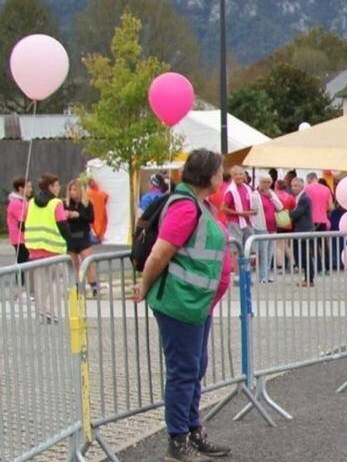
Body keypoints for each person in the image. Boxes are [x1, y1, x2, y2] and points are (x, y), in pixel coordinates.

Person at [131, 149, 232, 462]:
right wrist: (145, 285)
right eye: (220, 170)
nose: (222, 175)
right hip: (181, 300)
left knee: (194, 367)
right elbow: (160, 253)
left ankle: (192, 430)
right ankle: (177, 441)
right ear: (208, 174)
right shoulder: (186, 206)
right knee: (184, 371)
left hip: (196, 302)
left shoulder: (198, 203)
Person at [24, 173, 70, 323]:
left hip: (34, 249)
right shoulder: (56, 203)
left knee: (40, 284)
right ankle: (51, 310)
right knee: (60, 281)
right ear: (51, 186)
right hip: (53, 249)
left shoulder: (31, 202)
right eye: (57, 185)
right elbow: (62, 225)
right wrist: (70, 241)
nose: (59, 188)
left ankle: (42, 311)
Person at [64, 179, 98, 295]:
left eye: (74, 189)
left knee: (87, 261)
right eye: (70, 190)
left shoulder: (87, 203)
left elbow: (91, 218)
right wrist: (67, 215)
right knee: (74, 264)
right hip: (71, 237)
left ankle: (93, 285)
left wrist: (79, 215)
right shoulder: (66, 204)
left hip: (83, 236)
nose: (72, 192)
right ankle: (77, 286)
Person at [249, 176, 283, 284]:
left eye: (268, 182)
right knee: (262, 252)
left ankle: (266, 274)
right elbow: (253, 210)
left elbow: (280, 207)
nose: (266, 184)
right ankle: (262, 276)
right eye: (264, 182)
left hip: (272, 226)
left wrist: (271, 197)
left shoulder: (272, 193)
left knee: (270, 252)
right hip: (260, 226)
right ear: (260, 182)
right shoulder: (255, 195)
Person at [221, 166, 256, 257]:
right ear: (232, 176)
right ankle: (237, 270)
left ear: (244, 176)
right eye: (236, 174)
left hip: (248, 222)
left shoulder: (247, 188)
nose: (238, 176)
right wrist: (240, 213)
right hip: (235, 222)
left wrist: (252, 211)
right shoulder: (230, 190)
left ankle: (245, 269)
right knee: (236, 248)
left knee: (249, 248)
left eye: (240, 174)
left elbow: (249, 205)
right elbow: (223, 208)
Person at [288, 178, 316, 287]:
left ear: (302, 186)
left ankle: (309, 279)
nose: (293, 188)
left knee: (305, 256)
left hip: (304, 230)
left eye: (296, 185)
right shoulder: (299, 198)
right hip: (300, 230)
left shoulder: (304, 199)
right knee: (300, 255)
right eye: (292, 185)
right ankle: (307, 278)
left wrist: (286, 214)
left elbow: (296, 213)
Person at [8, 177, 31, 299]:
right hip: (19, 238)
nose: (30, 189)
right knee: (21, 263)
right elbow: (22, 220)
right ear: (20, 188)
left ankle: (24, 290)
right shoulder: (15, 203)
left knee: (25, 262)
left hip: (24, 238)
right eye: (28, 186)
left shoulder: (24, 201)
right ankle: (21, 291)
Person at [274, 179, 296, 273]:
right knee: (286, 244)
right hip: (287, 221)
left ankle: (280, 266)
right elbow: (293, 207)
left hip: (278, 220)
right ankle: (293, 264)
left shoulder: (274, 196)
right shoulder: (290, 197)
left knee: (278, 245)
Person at [87, 177, 109, 244]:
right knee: (96, 224)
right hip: (95, 213)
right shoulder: (89, 193)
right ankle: (98, 236)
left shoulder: (99, 193)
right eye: (91, 182)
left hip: (99, 211)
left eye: (93, 182)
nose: (93, 183)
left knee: (100, 223)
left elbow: (105, 197)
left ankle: (99, 236)